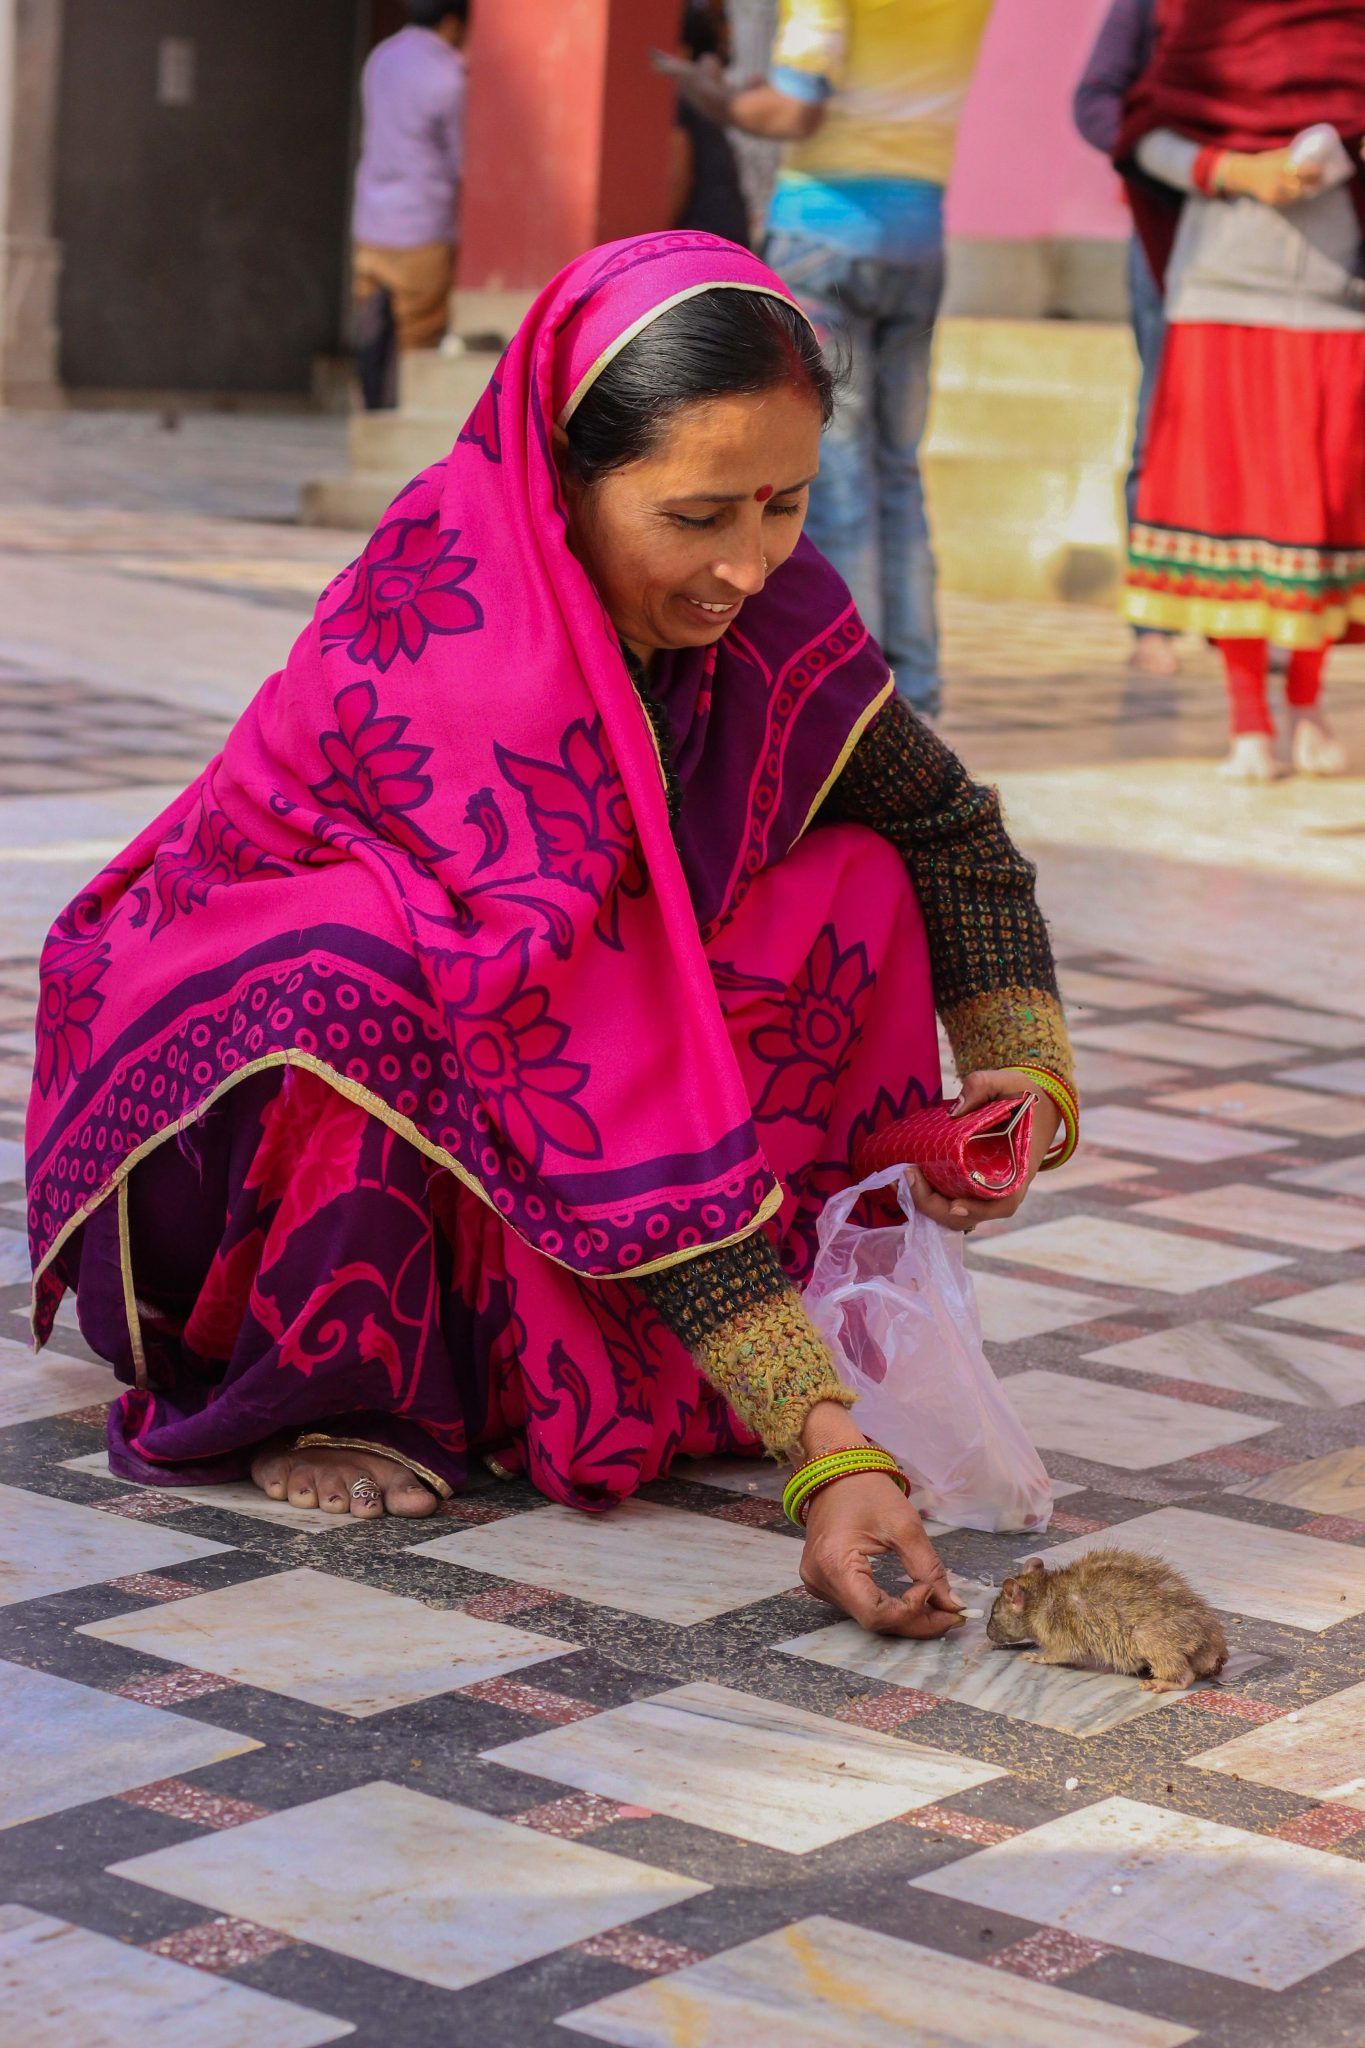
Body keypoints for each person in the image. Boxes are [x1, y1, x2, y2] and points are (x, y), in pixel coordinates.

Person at [26, 233, 1077, 1642]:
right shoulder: (469, 650)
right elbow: (591, 1051)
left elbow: (953, 836)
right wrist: (822, 1445)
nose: (748, 566)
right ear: (565, 478)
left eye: (784, 504)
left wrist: (1022, 1080)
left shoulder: (765, 615)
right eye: (699, 514)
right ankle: (335, 1382)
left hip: (556, 1052)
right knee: (359, 967)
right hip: (246, 1100)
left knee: (853, 877)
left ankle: (647, 1347)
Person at [661, 0, 996, 721]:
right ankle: (916, 690)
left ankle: (855, 701)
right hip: (919, 237)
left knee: (831, 476)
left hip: (823, 232)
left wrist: (715, 97)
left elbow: (794, 111)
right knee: (896, 469)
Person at [1116, 0, 1365, 780]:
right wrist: (1231, 170)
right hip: (1218, 297)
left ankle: (1307, 702)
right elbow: (1140, 132)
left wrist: (1341, 153)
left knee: (1318, 503)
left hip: (1332, 301)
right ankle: (1246, 719)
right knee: (1227, 504)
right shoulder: (1200, 17)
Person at [1073, 0, 1180, 680]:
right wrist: (1171, 164)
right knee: (1163, 424)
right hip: (1165, 232)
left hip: (1278, 247)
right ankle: (1154, 622)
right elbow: (1093, 100)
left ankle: (1268, 620)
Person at [351, 0, 470, 411]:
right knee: (418, 338)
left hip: (371, 219)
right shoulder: (450, 73)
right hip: (423, 222)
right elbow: (462, 158)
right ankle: (397, 427)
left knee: (371, 327)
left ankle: (367, 412)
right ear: (452, 22)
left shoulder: (380, 57)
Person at [670, 4, 751, 247]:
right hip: (727, 241)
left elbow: (676, 177)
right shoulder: (702, 104)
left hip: (697, 243)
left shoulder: (680, 103)